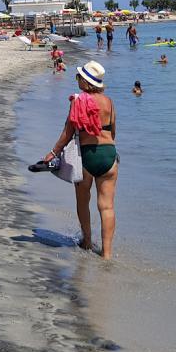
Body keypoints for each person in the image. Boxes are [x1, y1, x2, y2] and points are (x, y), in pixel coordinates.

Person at [42, 61, 118, 259]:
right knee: (107, 206)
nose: (77, 80)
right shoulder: (109, 102)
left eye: (78, 77)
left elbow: (68, 131)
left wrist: (53, 152)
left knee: (83, 202)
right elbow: (113, 130)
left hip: (87, 156)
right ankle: (107, 254)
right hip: (109, 155)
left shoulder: (79, 101)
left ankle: (86, 241)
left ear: (85, 81)